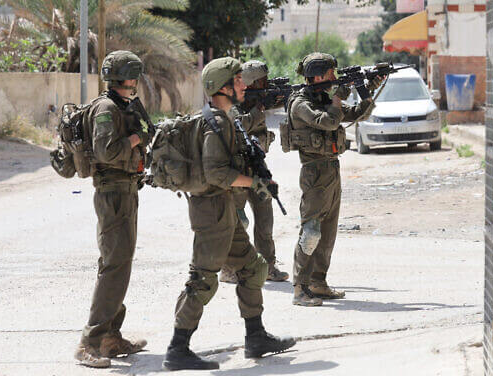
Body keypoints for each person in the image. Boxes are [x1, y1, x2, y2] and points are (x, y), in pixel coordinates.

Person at [162, 57, 296, 371]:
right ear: (222, 86)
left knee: (253, 268)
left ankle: (256, 337)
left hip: (222, 210)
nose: (243, 86)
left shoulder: (224, 117)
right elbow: (216, 173)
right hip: (211, 212)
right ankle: (177, 348)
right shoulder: (217, 122)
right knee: (202, 281)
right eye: (237, 81)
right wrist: (256, 183)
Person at [75, 50, 150, 367]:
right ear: (127, 77)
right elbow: (106, 151)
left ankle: (110, 337)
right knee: (114, 265)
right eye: (134, 75)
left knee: (119, 263)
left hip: (126, 189)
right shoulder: (106, 108)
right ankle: (88, 343)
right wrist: (136, 137)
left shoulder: (124, 105)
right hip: (112, 193)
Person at [287, 53, 379, 306]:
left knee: (327, 232)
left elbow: (358, 114)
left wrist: (366, 88)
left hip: (331, 169)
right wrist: (338, 97)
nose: (334, 79)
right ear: (316, 76)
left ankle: (318, 282)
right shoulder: (300, 103)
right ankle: (299, 289)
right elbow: (328, 122)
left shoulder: (324, 98)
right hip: (314, 172)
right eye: (330, 74)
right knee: (311, 231)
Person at [220, 60, 289, 284]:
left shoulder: (256, 103)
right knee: (238, 222)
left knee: (265, 218)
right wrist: (258, 110)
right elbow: (238, 127)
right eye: (261, 82)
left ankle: (268, 264)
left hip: (257, 169)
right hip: (238, 172)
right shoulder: (232, 106)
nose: (265, 85)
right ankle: (229, 268)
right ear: (249, 84)